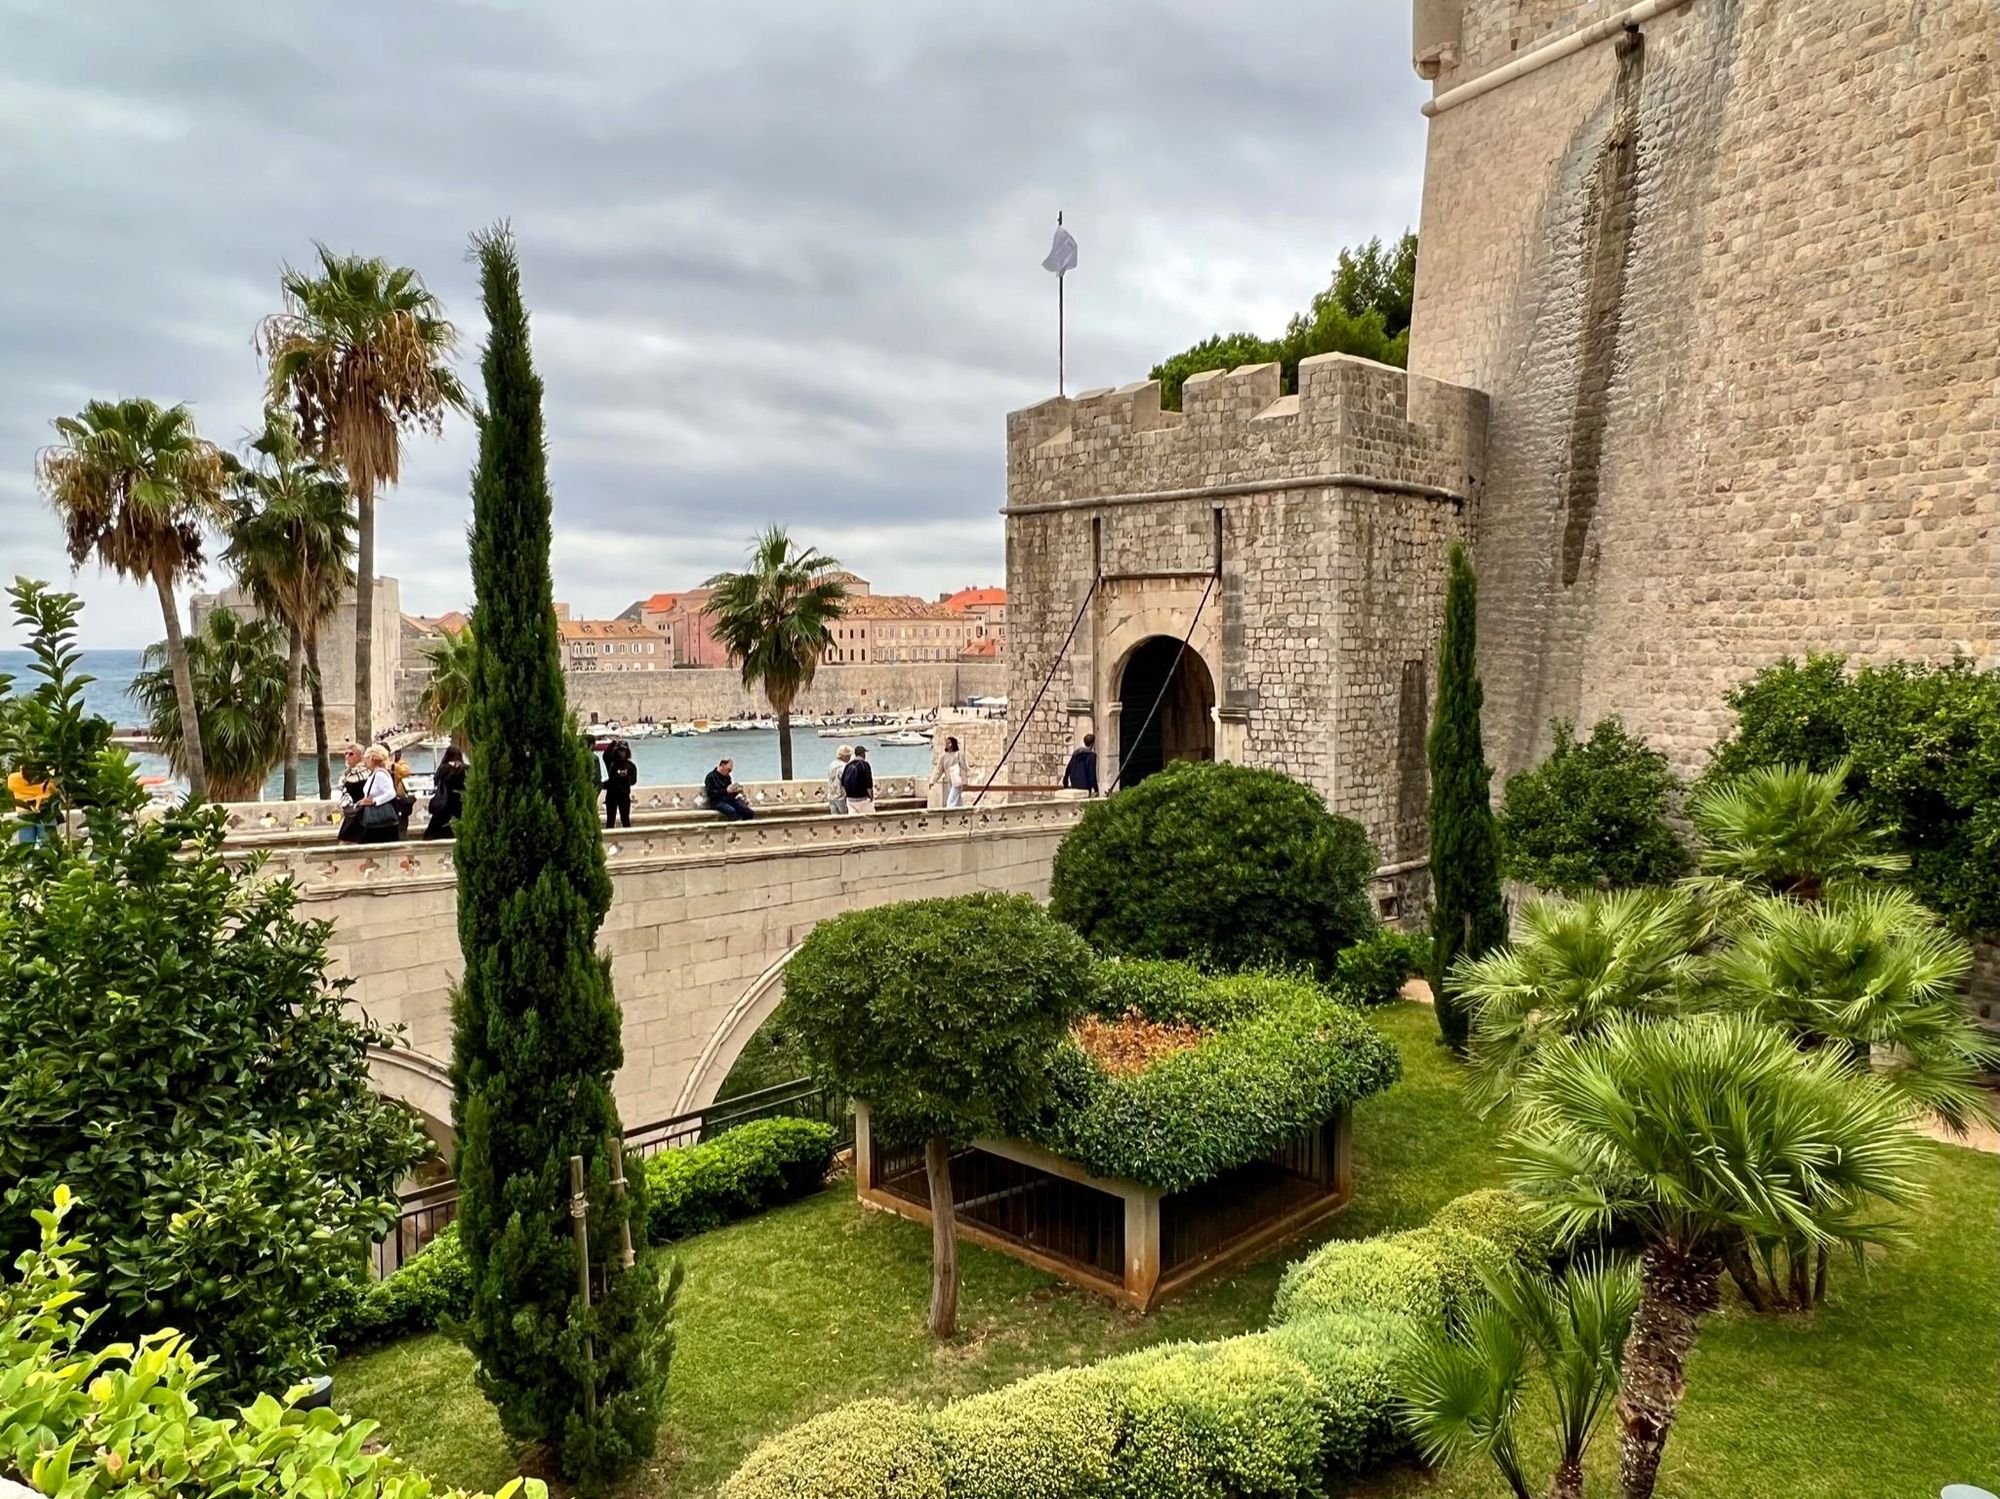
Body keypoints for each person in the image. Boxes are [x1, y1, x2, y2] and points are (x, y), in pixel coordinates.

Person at [355, 745, 402, 843]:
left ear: (372, 759)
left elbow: (391, 793)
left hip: (378, 820)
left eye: (366, 758)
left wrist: (375, 801)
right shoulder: (375, 774)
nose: (364, 761)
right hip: (376, 820)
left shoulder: (380, 774)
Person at [425, 746, 466, 840]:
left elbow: (436, 780)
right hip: (458, 805)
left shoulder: (443, 769)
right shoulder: (463, 769)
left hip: (443, 806)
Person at [7, 766, 52, 843]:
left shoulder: (13, 779)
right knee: (47, 844)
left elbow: (10, 787)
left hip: (24, 812)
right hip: (44, 812)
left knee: (26, 844)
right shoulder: (45, 779)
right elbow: (49, 791)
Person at [380, 741, 416, 833]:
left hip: (398, 802)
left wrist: (393, 766)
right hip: (382, 804)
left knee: (400, 829)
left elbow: (407, 771)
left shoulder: (398, 764)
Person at [336, 743, 367, 843]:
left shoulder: (364, 772)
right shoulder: (348, 773)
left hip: (360, 813)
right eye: (346, 753)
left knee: (346, 842)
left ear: (360, 756)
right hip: (350, 813)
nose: (347, 756)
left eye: (351, 754)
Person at [603, 740, 638, 828]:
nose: (622, 753)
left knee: (625, 819)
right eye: (620, 750)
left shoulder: (631, 766)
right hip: (612, 795)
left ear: (627, 752)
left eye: (624, 751)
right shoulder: (612, 763)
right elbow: (605, 755)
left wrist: (625, 778)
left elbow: (633, 781)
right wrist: (614, 742)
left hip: (624, 795)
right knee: (610, 820)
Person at [930, 735, 968, 810]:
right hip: (949, 780)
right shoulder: (943, 756)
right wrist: (932, 780)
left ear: (953, 744)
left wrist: (964, 781)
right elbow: (939, 769)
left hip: (958, 780)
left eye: (949, 743)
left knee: (951, 800)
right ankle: (961, 812)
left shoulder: (959, 754)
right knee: (957, 799)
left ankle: (948, 812)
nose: (947, 745)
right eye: (946, 743)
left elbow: (963, 768)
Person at [840, 744, 875, 816]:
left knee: (854, 820)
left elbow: (842, 784)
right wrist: (871, 797)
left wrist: (846, 797)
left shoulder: (848, 765)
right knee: (871, 820)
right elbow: (869, 784)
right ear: (863, 754)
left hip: (850, 800)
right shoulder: (865, 765)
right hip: (863, 799)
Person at [826, 744, 853, 815]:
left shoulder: (832, 764)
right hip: (841, 797)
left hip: (831, 796)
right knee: (845, 818)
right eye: (848, 756)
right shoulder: (844, 766)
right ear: (844, 756)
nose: (849, 758)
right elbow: (846, 782)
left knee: (835, 819)